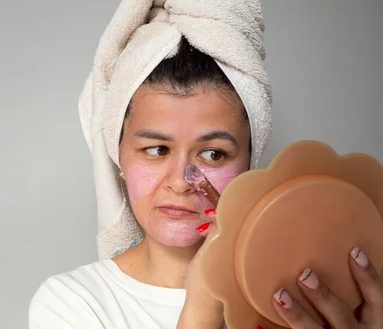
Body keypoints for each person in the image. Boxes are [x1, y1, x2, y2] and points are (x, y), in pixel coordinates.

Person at [29, 1, 383, 328]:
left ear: (249, 162)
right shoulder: (73, 304)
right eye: (156, 150)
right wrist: (202, 309)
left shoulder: (304, 301)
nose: (183, 182)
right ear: (118, 155)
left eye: (213, 154)